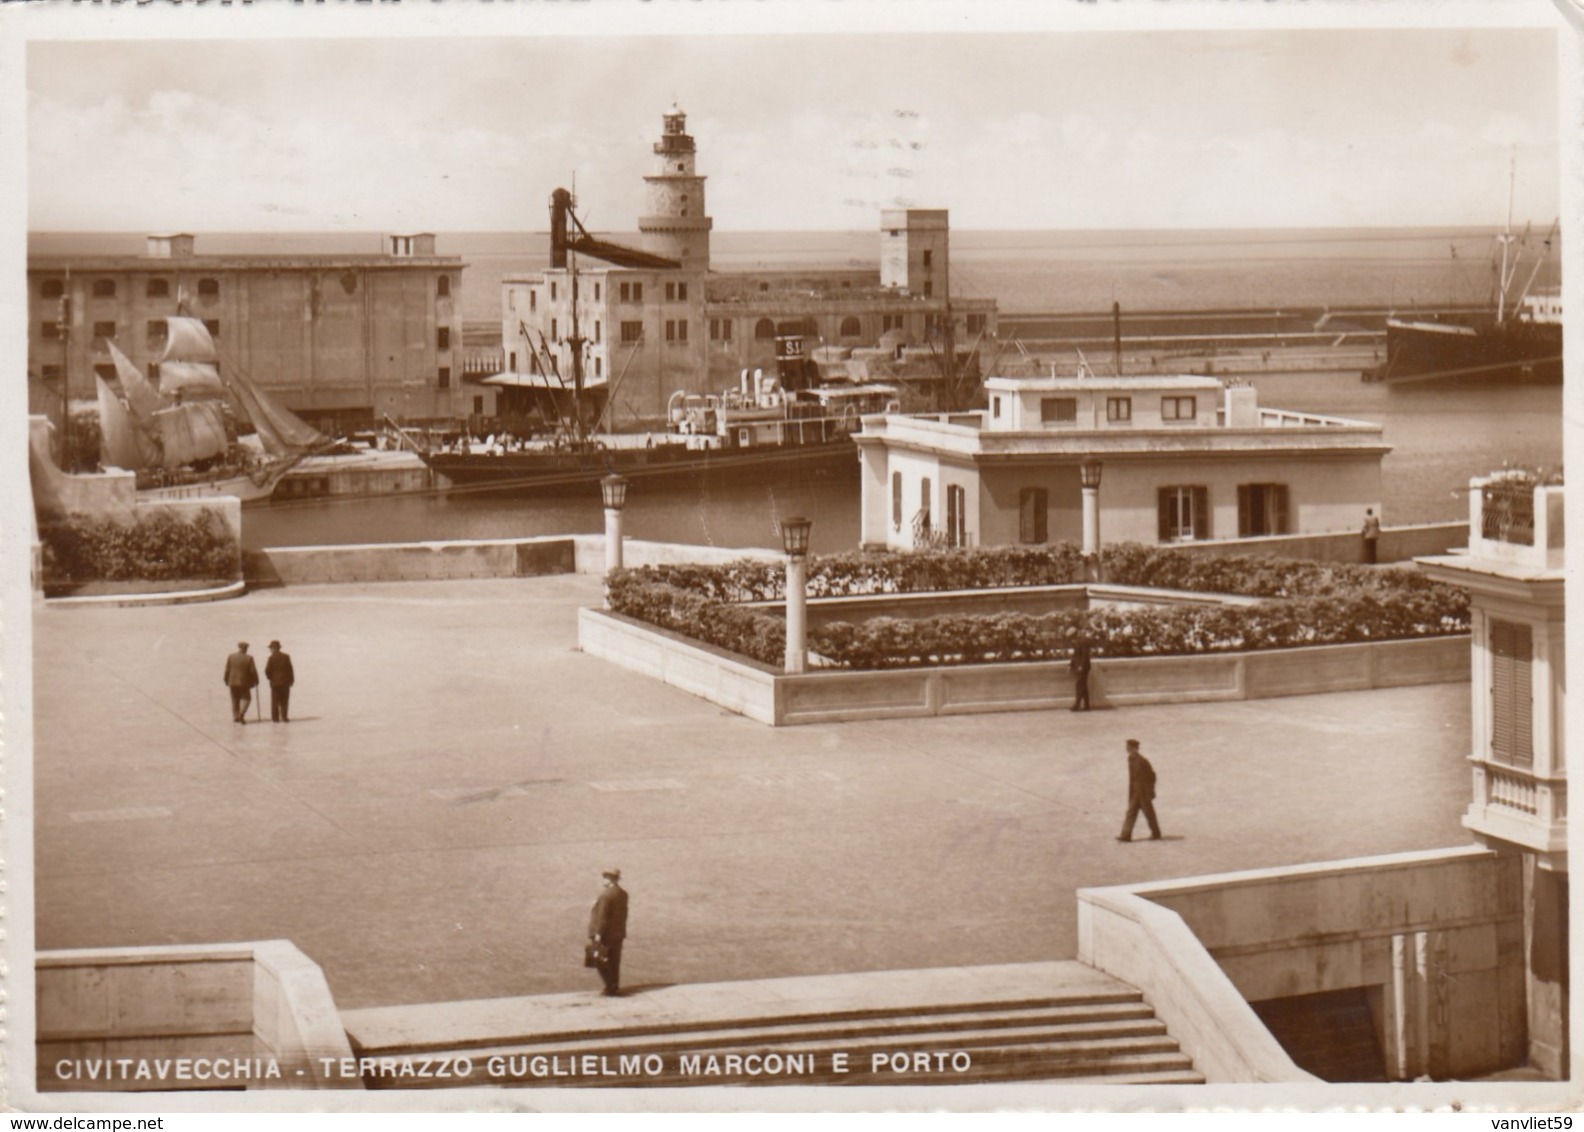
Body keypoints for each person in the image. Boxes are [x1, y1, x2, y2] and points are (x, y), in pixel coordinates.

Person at [587, 868, 629, 997]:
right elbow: (623, 914)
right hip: (618, 933)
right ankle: (614, 986)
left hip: (605, 934)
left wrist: (598, 934)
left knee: (600, 960)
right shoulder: (623, 894)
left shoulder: (605, 895)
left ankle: (609, 986)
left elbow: (603, 917)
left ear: (611, 879)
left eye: (605, 877)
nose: (603, 879)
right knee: (615, 961)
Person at [1118, 739, 1161, 842]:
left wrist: (1150, 790)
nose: (1126, 748)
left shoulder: (1140, 760)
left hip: (1143, 792)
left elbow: (1152, 776)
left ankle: (1156, 833)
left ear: (1134, 748)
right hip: (1136, 792)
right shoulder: (1132, 759)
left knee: (1148, 813)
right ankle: (1126, 835)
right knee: (1131, 812)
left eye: (1128, 746)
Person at [223, 642, 259, 724]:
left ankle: (236, 717)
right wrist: (256, 680)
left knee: (234, 700)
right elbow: (253, 671)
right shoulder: (249, 658)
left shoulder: (231, 656)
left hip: (232, 681)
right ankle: (241, 714)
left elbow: (227, 669)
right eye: (246, 648)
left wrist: (225, 680)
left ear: (239, 648)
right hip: (244, 682)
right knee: (247, 698)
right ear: (245, 648)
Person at [265, 640, 295, 723]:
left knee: (275, 701)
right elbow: (290, 669)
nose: (270, 650)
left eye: (271, 648)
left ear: (274, 648)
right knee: (284, 700)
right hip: (285, 682)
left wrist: (270, 678)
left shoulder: (271, 658)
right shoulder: (286, 657)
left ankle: (275, 718)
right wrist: (291, 680)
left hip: (275, 683)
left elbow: (267, 671)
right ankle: (284, 717)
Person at [1069, 640, 1092, 712]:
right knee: (1083, 686)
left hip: (1082, 668)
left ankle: (1077, 704)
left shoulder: (1082, 642)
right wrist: (1071, 664)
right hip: (1080, 667)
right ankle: (1086, 705)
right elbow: (1075, 656)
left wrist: (1081, 666)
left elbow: (1085, 655)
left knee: (1079, 685)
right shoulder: (1077, 642)